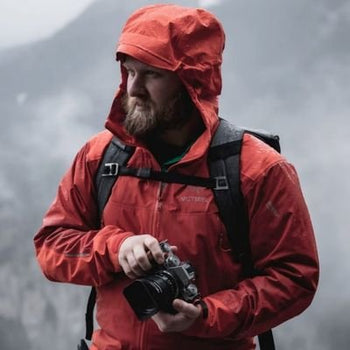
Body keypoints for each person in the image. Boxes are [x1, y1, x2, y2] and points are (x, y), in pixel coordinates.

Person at [34, 4, 319, 350]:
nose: (133, 89)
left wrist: (206, 315)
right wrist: (116, 248)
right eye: (129, 71)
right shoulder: (101, 158)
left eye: (152, 74)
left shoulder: (256, 171)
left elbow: (294, 278)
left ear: (192, 82)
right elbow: (51, 245)